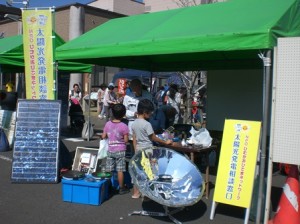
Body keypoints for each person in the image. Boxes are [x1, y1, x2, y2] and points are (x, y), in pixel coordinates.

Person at [131, 99, 173, 199]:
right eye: (150, 113)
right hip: (148, 150)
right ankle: (147, 194)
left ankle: (136, 193)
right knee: (150, 171)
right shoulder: (147, 124)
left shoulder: (134, 123)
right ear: (145, 113)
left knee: (138, 171)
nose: (151, 115)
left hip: (138, 149)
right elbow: (153, 137)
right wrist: (165, 142)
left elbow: (134, 138)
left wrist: (135, 150)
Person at [101, 104, 130, 195]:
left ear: (112, 113)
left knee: (109, 169)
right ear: (124, 114)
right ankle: (121, 188)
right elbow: (126, 140)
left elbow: (104, 136)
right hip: (120, 150)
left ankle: (108, 187)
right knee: (120, 170)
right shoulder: (124, 126)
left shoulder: (107, 124)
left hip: (110, 149)